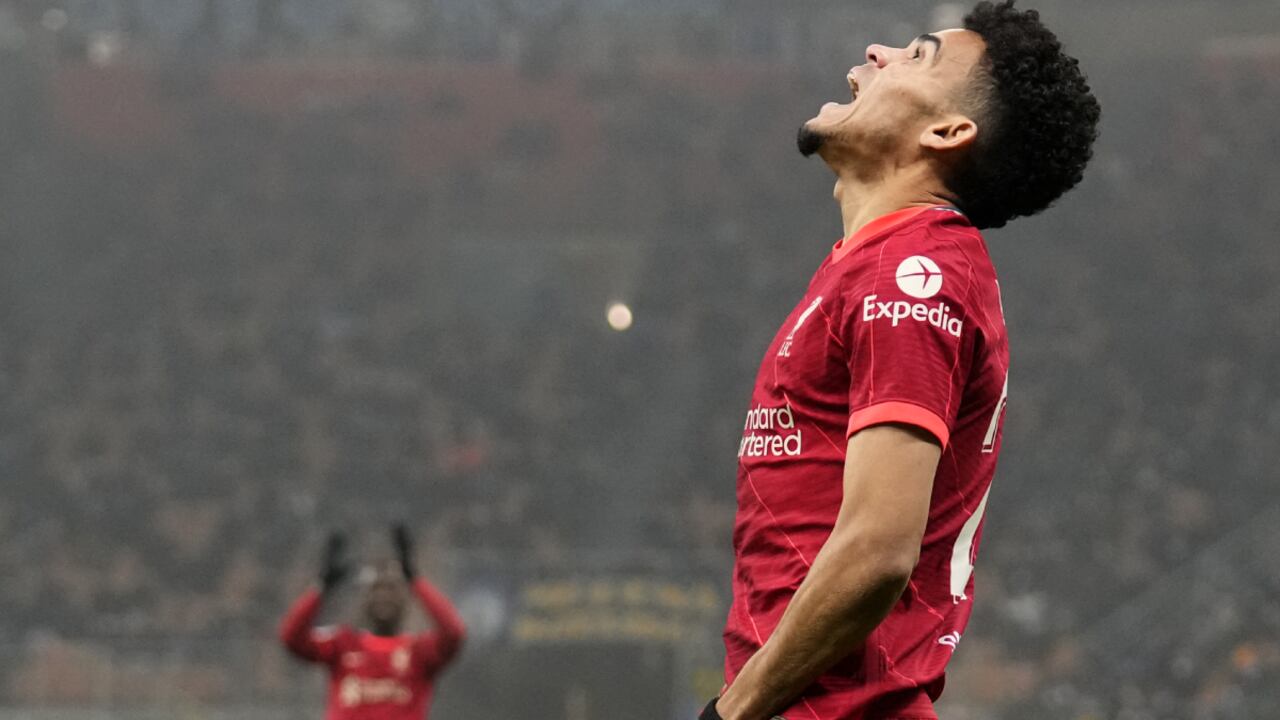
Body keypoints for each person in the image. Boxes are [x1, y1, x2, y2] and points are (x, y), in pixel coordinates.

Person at [701, 2, 1100, 719]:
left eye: (917, 56)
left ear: (947, 132)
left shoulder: (911, 271)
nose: (877, 51)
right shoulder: (878, 266)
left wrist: (731, 715)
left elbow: (878, 550)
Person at [280, 524, 467, 720]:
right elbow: (292, 637)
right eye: (376, 589)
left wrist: (415, 579)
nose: (383, 596)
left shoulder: (419, 652)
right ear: (365, 600)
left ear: (405, 600)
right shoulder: (341, 644)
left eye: (392, 589)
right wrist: (321, 587)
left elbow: (454, 633)